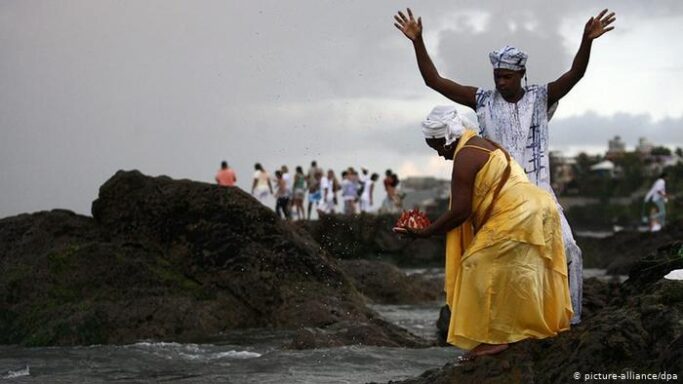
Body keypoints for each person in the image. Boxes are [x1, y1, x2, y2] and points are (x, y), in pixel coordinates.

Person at [393, 7, 615, 325]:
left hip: (539, 192)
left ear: (522, 74)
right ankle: (499, 326)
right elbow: (434, 81)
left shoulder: (541, 97)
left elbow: (574, 75)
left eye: (507, 76)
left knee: (568, 250)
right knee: (498, 263)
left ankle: (571, 322)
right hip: (498, 195)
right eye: (497, 76)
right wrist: (418, 41)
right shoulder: (483, 100)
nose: (500, 82)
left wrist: (586, 41)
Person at [395, 107, 572, 359]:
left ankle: (494, 338)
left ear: (448, 137)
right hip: (541, 207)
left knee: (477, 265)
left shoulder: (465, 156)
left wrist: (424, 233)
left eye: (438, 146)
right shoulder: (484, 144)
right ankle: (526, 329)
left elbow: (460, 211)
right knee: (522, 271)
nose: (440, 154)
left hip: (518, 211)